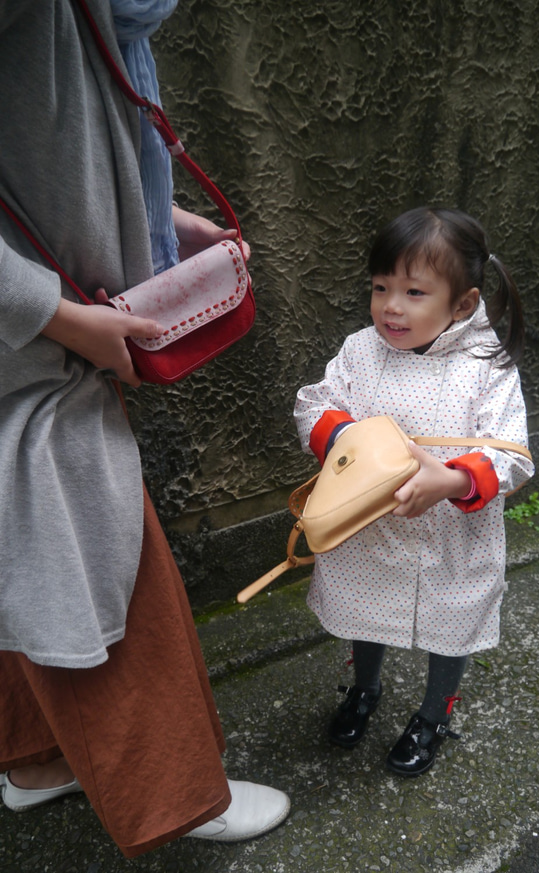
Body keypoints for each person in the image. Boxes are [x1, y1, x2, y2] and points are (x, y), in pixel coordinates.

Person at [0, 0, 289, 857]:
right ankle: (179, 795)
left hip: (44, 329)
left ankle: (35, 759)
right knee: (93, 553)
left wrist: (158, 223)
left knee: (23, 547)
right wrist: (53, 314)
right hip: (33, 341)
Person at [294, 206, 535, 776]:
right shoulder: (359, 351)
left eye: (413, 291)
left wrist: (453, 479)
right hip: (369, 528)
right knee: (364, 610)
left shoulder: (487, 367)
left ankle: (433, 713)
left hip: (453, 533)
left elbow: (514, 455)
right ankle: (364, 688)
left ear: (463, 303)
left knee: (451, 623)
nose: (391, 306)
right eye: (381, 287)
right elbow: (313, 405)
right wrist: (348, 439)